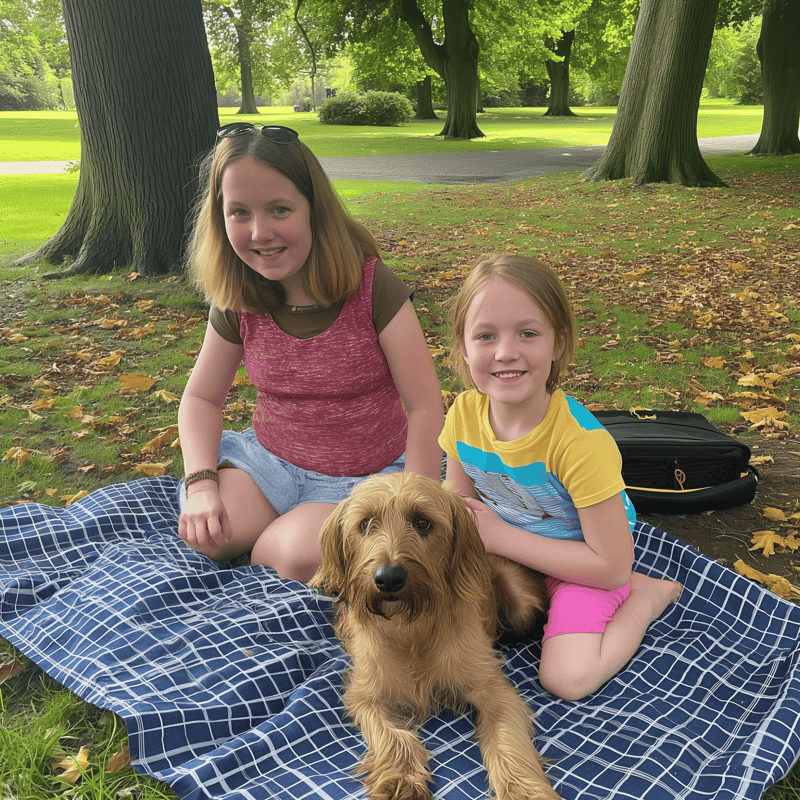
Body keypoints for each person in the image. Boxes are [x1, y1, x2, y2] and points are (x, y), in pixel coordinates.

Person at [177, 123, 444, 582]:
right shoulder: (238, 297)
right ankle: (278, 526)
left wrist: (410, 505)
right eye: (239, 213)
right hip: (270, 463)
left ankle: (287, 535)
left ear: (314, 209)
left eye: (279, 209)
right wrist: (201, 485)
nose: (260, 232)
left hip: (367, 477)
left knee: (292, 556)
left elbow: (425, 406)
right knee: (211, 534)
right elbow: (201, 399)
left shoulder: (372, 288)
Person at [439, 253, 681, 701]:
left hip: (583, 562)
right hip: (508, 549)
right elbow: (457, 505)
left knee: (566, 679)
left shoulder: (580, 444)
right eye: (486, 336)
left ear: (558, 343)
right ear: (464, 347)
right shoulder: (463, 414)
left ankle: (646, 598)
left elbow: (610, 567)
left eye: (528, 334)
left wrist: (498, 538)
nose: (505, 352)